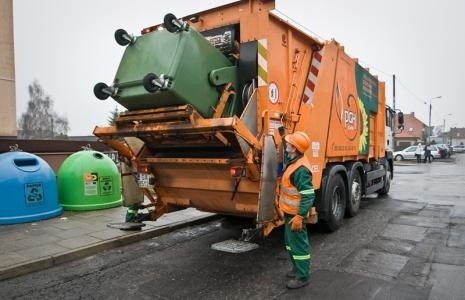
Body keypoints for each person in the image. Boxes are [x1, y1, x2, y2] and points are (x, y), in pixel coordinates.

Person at [277, 131, 315, 289]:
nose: (287, 144)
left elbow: (308, 195)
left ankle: (303, 276)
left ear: (295, 148)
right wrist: (283, 133)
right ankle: (296, 268)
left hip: (295, 215)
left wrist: (300, 216)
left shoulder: (300, 170)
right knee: (290, 244)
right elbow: (285, 157)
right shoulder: (294, 159)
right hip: (289, 213)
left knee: (299, 246)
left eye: (289, 143)